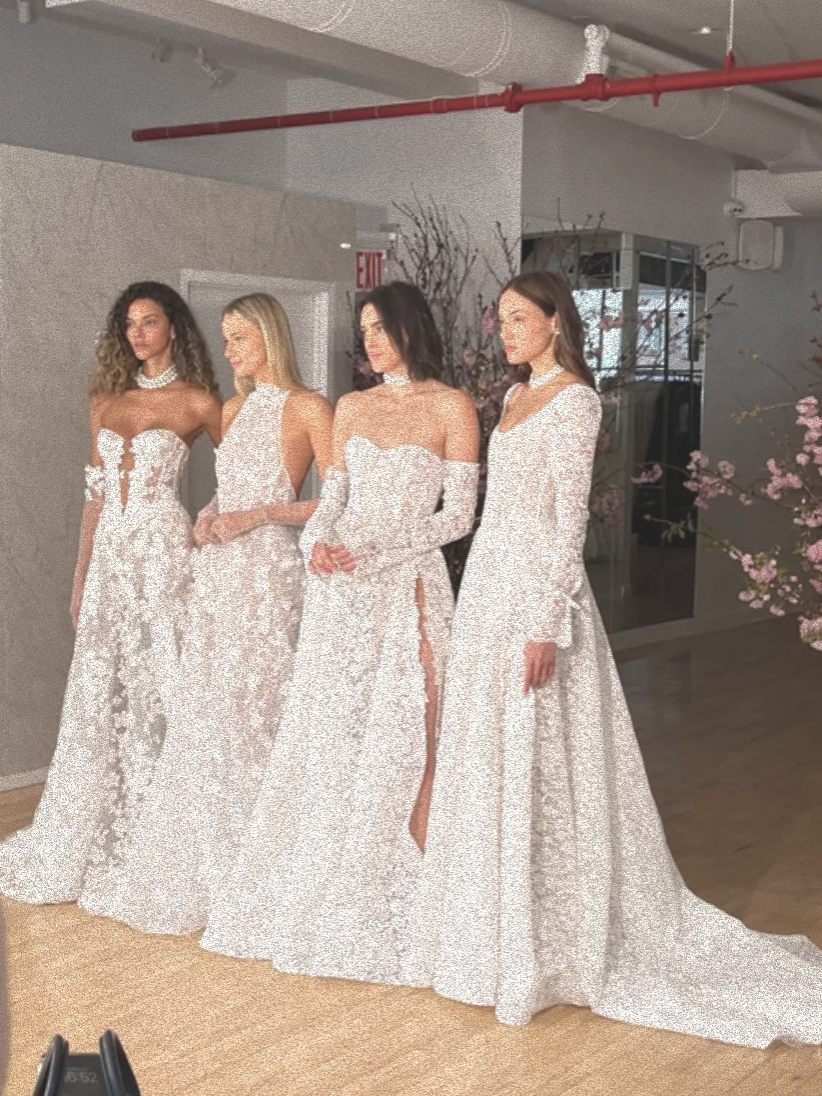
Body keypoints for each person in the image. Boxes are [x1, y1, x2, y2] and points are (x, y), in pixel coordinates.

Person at [416, 271, 822, 1047]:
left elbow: (568, 522)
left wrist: (545, 623)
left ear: (556, 323)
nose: (504, 331)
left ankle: (555, 938)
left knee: (541, 758)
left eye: (518, 318)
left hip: (536, 595)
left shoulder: (575, 399)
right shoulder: (511, 398)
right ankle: (494, 931)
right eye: (499, 319)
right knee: (489, 752)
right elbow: (498, 510)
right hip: (492, 586)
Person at [201, 281, 480, 987]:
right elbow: (334, 501)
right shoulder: (352, 406)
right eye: (365, 330)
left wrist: (379, 551)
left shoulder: (453, 406)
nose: (372, 341)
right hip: (341, 590)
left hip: (408, 581)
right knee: (336, 730)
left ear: (412, 327)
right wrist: (318, 545)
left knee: (415, 725)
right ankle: (331, 871)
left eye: (381, 327)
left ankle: (421, 883)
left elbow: (460, 516)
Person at [82, 293, 334, 932]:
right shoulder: (235, 407)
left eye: (241, 340)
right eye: (225, 340)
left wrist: (259, 516)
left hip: (271, 573)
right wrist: (211, 512)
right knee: (213, 711)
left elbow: (338, 504)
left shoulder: (310, 408)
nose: (230, 353)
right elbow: (231, 487)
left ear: (271, 339)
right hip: (217, 572)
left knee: (264, 708)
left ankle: (273, 851)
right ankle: (216, 849)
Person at [0, 282, 222, 906]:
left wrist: (213, 532)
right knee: (103, 688)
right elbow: (95, 501)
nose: (139, 334)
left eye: (150, 322)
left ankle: (176, 827)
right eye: (130, 324)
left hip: (162, 551)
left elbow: (245, 479)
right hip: (111, 562)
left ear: (173, 328)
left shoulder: (200, 403)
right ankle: (99, 821)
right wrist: (79, 582)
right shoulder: (105, 401)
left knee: (168, 682)